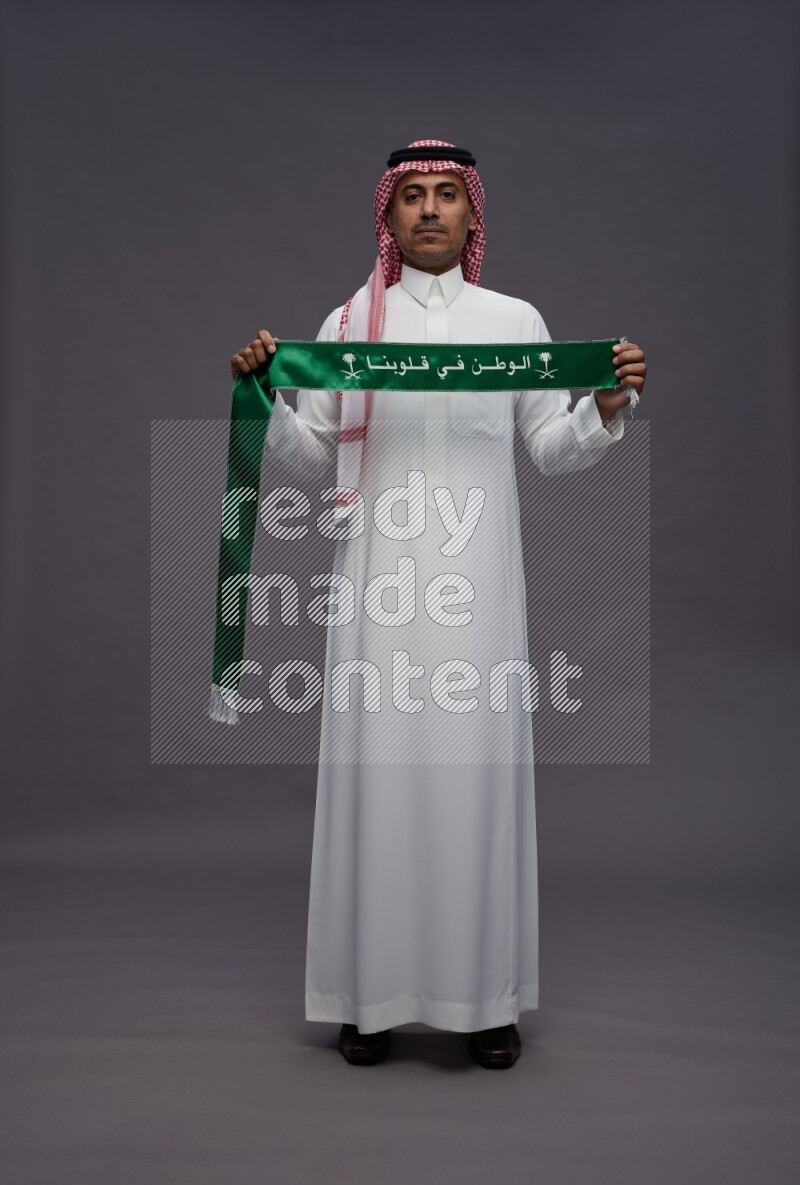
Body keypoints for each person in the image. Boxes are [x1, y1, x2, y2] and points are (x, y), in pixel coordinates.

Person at [230, 140, 647, 1069]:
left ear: (472, 216)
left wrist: (606, 410)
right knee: (374, 782)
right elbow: (311, 456)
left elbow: (552, 446)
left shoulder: (514, 321)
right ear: (387, 217)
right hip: (374, 590)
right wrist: (267, 398)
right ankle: (367, 999)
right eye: (410, 197)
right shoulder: (349, 324)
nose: (427, 211)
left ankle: (481, 1001)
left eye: (445, 197)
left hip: (479, 598)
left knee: (474, 784)